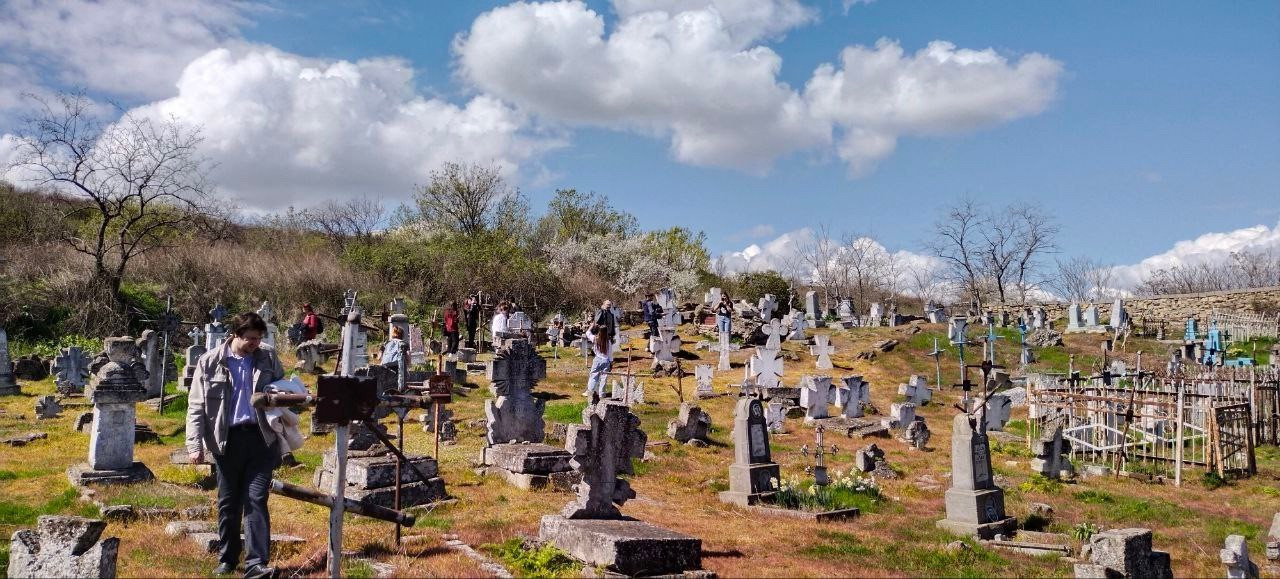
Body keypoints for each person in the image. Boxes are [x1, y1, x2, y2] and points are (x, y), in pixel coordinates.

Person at [186, 312, 285, 579]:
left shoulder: (267, 357)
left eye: (259, 338)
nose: (256, 344)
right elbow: (196, 405)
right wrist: (194, 445)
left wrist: (277, 396)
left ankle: (256, 564)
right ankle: (228, 558)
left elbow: (282, 386)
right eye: (251, 339)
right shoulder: (210, 362)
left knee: (256, 499)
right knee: (229, 503)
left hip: (262, 438)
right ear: (236, 335)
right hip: (226, 440)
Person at [584, 327, 614, 398]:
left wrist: (591, 326)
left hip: (597, 359)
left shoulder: (595, 339)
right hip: (606, 360)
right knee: (604, 378)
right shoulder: (608, 341)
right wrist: (611, 362)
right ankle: (602, 393)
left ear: (599, 331)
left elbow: (587, 333)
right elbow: (610, 353)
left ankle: (590, 391)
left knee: (593, 376)